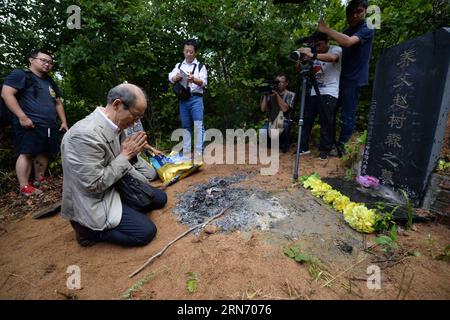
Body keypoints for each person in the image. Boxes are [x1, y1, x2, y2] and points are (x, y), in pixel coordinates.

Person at [60, 83, 167, 247]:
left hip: (115, 186)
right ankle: (87, 231)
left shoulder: (116, 125)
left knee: (159, 199)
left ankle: (125, 209)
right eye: (135, 116)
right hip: (95, 198)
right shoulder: (83, 135)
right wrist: (126, 155)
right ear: (117, 105)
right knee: (145, 232)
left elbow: (126, 163)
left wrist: (136, 165)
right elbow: (93, 185)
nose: (135, 123)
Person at [1, 49, 68, 196]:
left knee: (44, 151)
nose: (47, 64)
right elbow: (6, 93)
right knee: (27, 153)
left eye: (50, 62)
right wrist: (22, 117)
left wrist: (63, 122)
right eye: (43, 60)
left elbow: (57, 102)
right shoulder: (21, 75)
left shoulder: (49, 81)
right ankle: (24, 186)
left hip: (49, 124)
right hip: (29, 122)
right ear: (31, 60)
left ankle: (40, 179)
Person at [317, 0, 374, 156]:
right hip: (338, 79)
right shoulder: (346, 30)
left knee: (347, 115)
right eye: (351, 12)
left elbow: (348, 42)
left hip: (354, 80)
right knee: (330, 112)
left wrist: (326, 29)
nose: (355, 15)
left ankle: (343, 147)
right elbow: (335, 49)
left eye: (359, 11)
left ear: (366, 11)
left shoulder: (367, 27)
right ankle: (329, 144)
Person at [297, 32, 342, 160]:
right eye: (315, 45)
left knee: (326, 121)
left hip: (329, 91)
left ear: (327, 41)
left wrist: (313, 54)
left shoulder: (336, 49)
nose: (317, 47)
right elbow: (301, 71)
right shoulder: (313, 52)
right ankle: (303, 147)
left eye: (319, 44)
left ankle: (324, 150)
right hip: (314, 91)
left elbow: (333, 58)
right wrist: (302, 60)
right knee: (306, 119)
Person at [168, 39, 208, 161]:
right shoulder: (179, 66)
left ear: (195, 53)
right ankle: (186, 152)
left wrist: (194, 79)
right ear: (183, 52)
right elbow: (170, 77)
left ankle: (199, 152)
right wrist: (176, 77)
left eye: (191, 52)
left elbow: (204, 82)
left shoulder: (200, 66)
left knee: (198, 125)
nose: (188, 54)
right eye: (186, 51)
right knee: (186, 126)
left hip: (196, 98)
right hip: (183, 99)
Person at [260, 72, 296, 153]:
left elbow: (285, 109)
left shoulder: (291, 94)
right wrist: (265, 95)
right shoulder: (270, 94)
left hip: (284, 120)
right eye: (277, 82)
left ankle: (284, 146)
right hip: (271, 121)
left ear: (286, 83)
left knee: (285, 125)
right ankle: (269, 146)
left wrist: (276, 95)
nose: (278, 84)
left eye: (281, 82)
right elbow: (263, 109)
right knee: (262, 130)